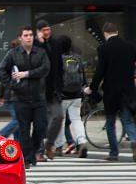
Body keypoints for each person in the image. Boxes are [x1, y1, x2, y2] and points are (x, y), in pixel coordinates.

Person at [0, 25, 50, 168]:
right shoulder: (13, 54)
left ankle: (32, 152)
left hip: (38, 97)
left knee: (40, 127)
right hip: (20, 98)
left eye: (30, 35)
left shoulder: (40, 53)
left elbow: (45, 69)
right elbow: (1, 71)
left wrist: (26, 74)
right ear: (20, 38)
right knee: (23, 130)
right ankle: (27, 158)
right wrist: (13, 86)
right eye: (26, 35)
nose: (29, 38)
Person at [83, 22, 136, 161]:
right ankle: (135, 141)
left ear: (105, 34)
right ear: (117, 32)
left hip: (111, 91)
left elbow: (100, 71)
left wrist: (92, 87)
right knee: (127, 120)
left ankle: (113, 153)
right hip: (128, 91)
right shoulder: (130, 47)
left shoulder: (103, 48)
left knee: (110, 122)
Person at [54, 35, 88, 158]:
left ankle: (58, 147)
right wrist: (83, 97)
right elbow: (83, 79)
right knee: (76, 119)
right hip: (76, 95)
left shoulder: (58, 60)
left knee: (59, 121)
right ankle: (82, 142)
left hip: (62, 96)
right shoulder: (77, 59)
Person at [34, 19, 63, 160]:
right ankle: (39, 150)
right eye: (44, 30)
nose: (47, 33)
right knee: (40, 120)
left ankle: (49, 144)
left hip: (53, 89)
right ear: (38, 32)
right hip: (39, 89)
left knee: (58, 116)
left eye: (48, 30)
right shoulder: (35, 45)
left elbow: (59, 66)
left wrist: (60, 86)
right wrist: (40, 43)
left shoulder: (55, 44)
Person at [0, 39, 21, 140]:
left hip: (11, 96)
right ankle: (0, 136)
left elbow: (3, 81)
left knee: (18, 122)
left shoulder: (9, 60)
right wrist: (2, 95)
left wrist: (1, 95)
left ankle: (18, 144)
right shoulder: (15, 62)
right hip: (12, 96)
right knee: (19, 119)